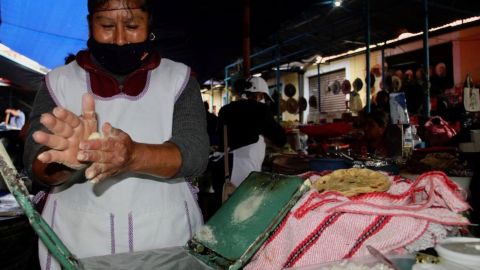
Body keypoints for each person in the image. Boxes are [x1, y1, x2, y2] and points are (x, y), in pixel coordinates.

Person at [23, 0, 209, 269]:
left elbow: (194, 154)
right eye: (107, 26)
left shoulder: (178, 79)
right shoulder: (58, 82)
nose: (120, 40)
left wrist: (133, 156)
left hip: (165, 237)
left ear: (150, 24)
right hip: (77, 241)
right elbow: (36, 164)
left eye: (132, 25)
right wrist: (66, 164)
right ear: (90, 24)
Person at [215, 76, 287, 191]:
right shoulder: (261, 110)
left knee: (224, 205)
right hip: (244, 172)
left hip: (222, 168)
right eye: (263, 96)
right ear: (259, 94)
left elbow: (221, 137)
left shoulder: (225, 109)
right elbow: (281, 139)